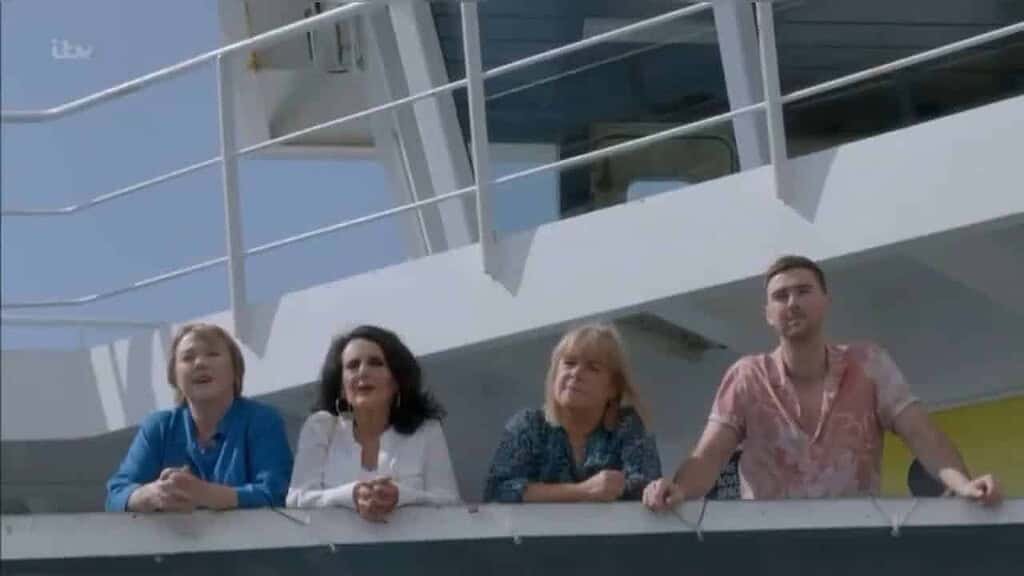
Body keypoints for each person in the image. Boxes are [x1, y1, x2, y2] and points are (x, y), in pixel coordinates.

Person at [644, 255, 1001, 509]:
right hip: (771, 553)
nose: (792, 302)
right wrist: (677, 489)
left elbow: (924, 436)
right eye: (780, 296)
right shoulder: (746, 377)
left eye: (803, 291)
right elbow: (708, 457)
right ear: (768, 314)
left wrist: (965, 485)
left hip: (855, 547)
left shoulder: (870, 364)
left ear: (826, 301)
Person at [106, 323, 293, 512]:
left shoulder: (263, 421)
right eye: (188, 358)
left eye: (212, 354)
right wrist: (151, 495)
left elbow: (276, 494)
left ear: (236, 370)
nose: (200, 363)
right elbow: (115, 496)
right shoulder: (158, 427)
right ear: (174, 377)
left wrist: (203, 494)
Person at [287, 325, 458, 520]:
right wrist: (351, 495)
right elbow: (296, 499)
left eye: (375, 363)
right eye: (352, 365)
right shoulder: (320, 428)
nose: (362, 372)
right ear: (341, 387)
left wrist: (401, 497)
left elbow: (450, 502)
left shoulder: (427, 430)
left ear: (396, 380)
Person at [484, 323, 661, 503]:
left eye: (592, 367)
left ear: (613, 387)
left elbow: (646, 486)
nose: (575, 373)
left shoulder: (627, 425)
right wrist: (583, 491)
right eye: (569, 363)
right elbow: (498, 490)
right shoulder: (529, 424)